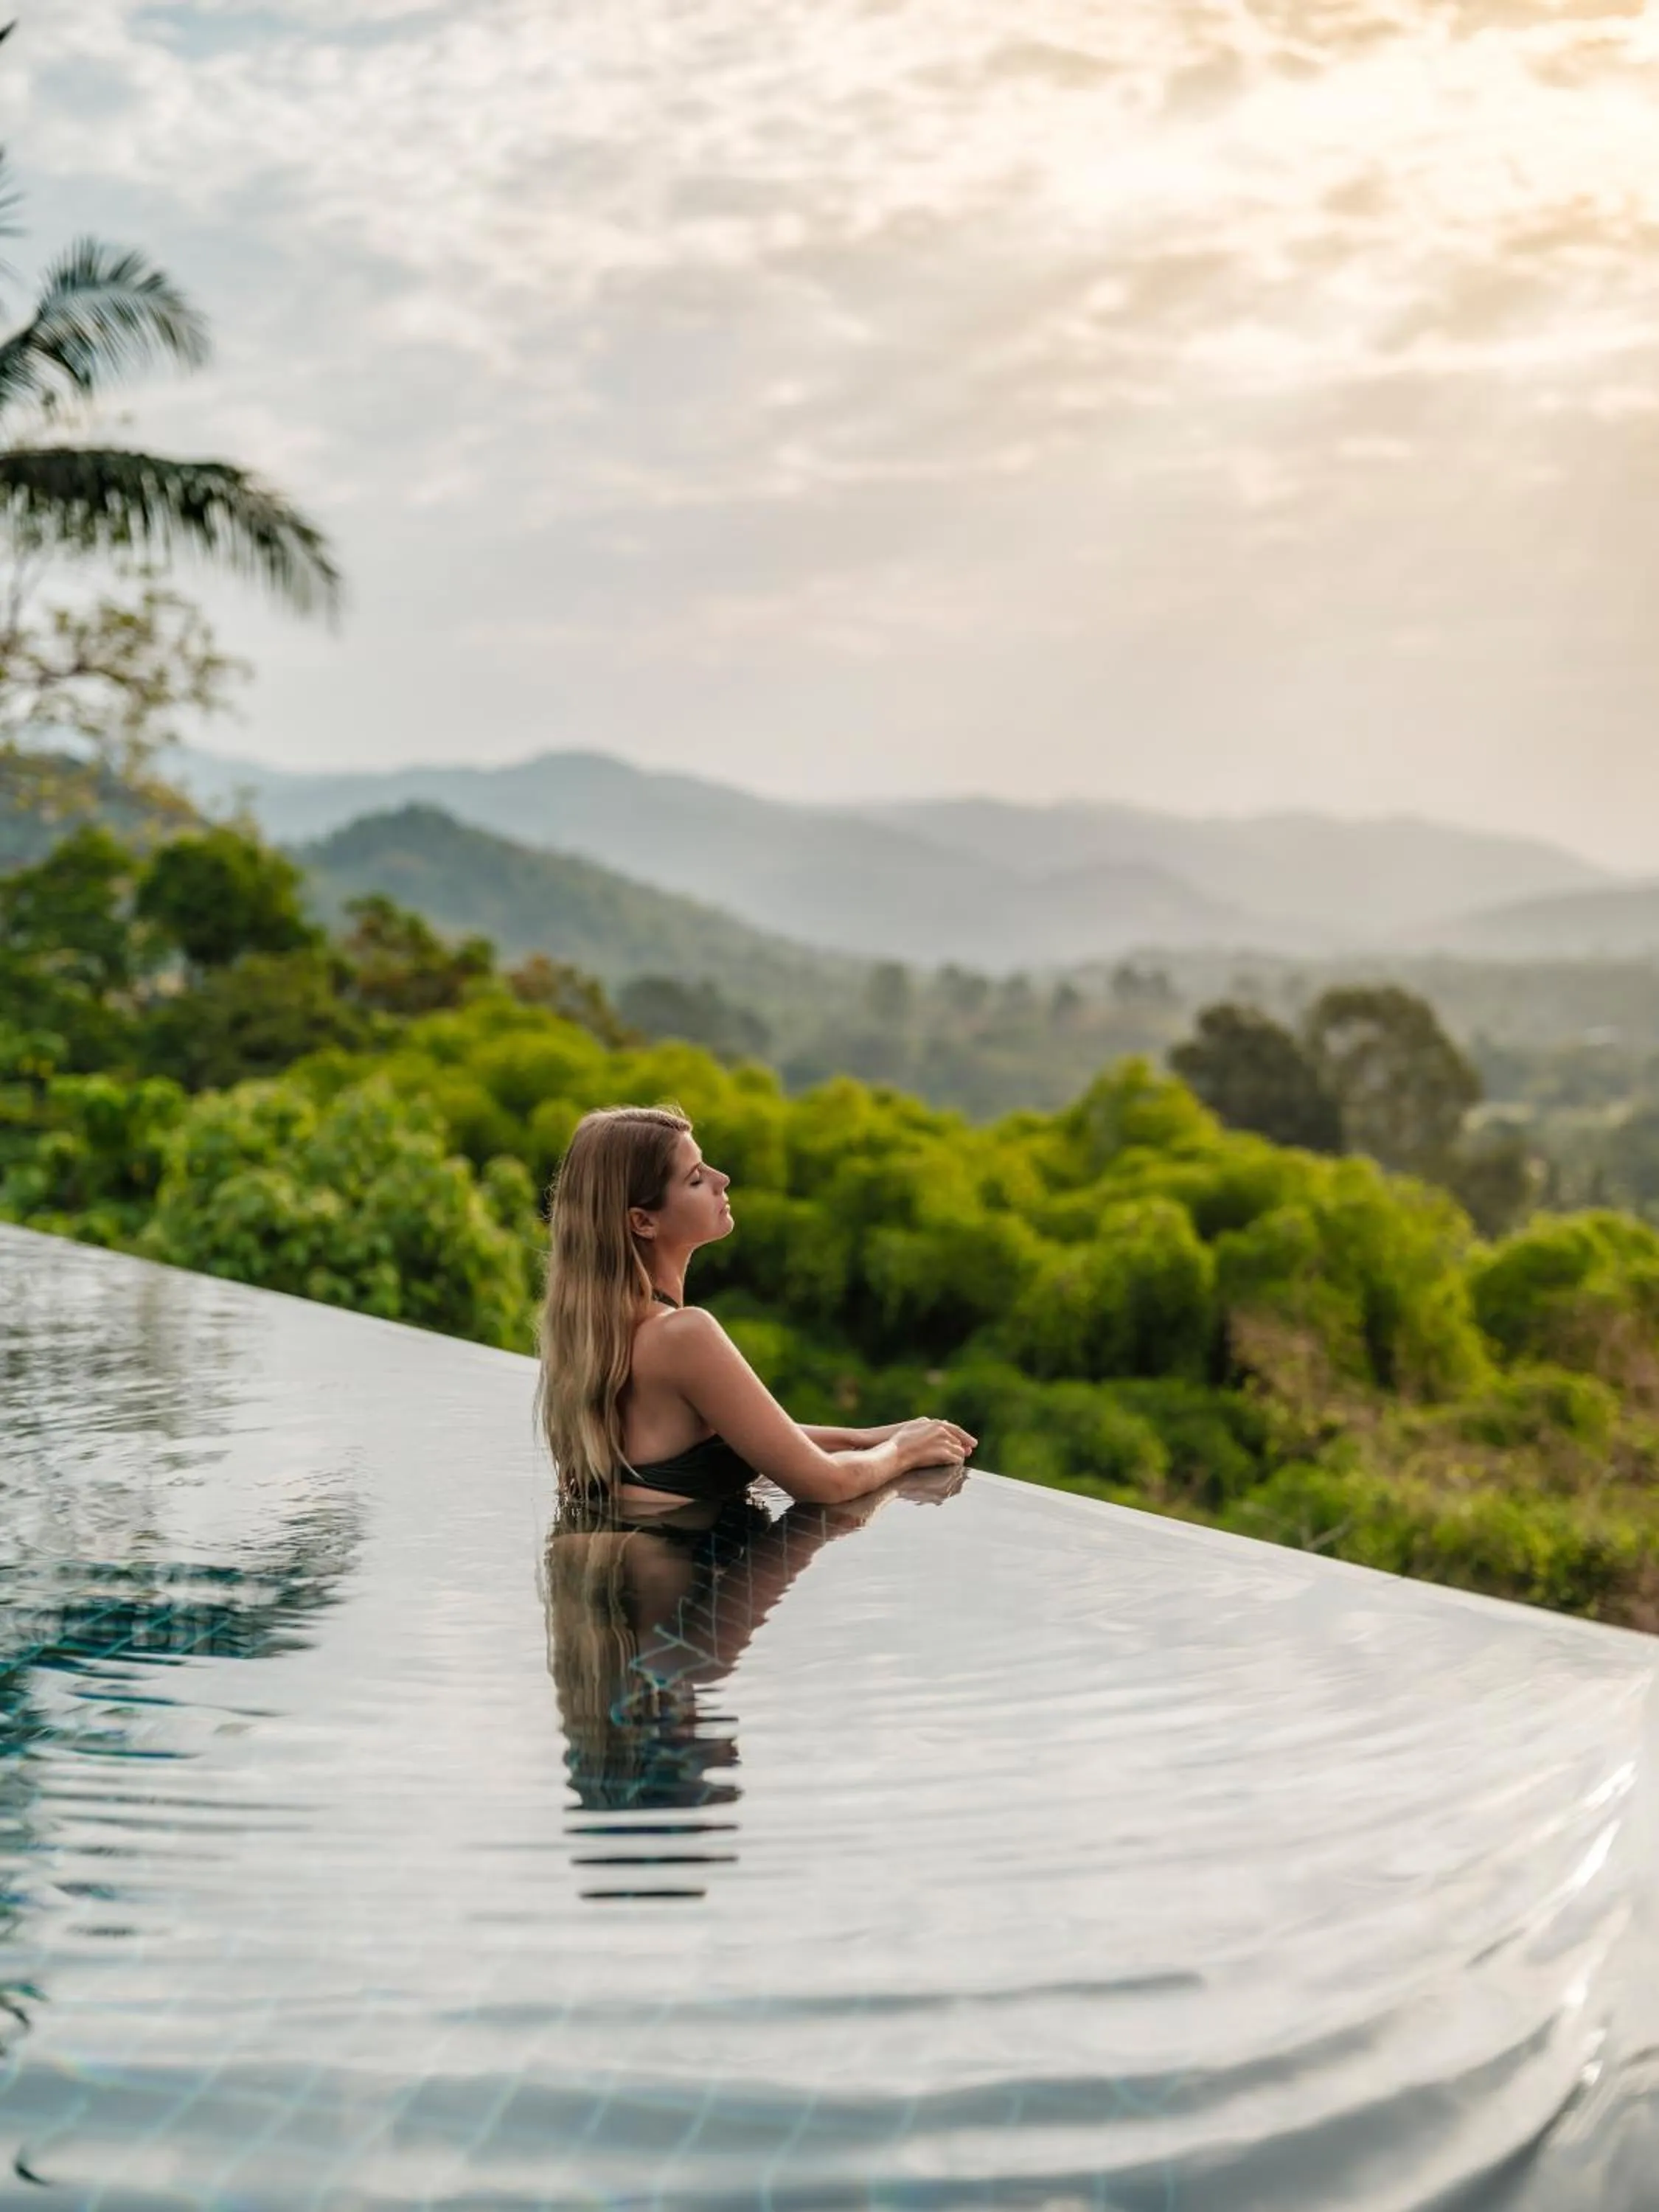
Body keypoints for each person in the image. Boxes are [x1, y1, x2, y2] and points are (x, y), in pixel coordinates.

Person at [536, 1102, 975, 1514]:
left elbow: (751, 1436)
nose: (721, 1178)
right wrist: (903, 1451)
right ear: (643, 1221)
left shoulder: (601, 1332)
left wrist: (867, 1438)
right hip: (680, 1588)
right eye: (694, 1179)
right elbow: (825, 1484)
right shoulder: (682, 1335)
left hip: (626, 1579)